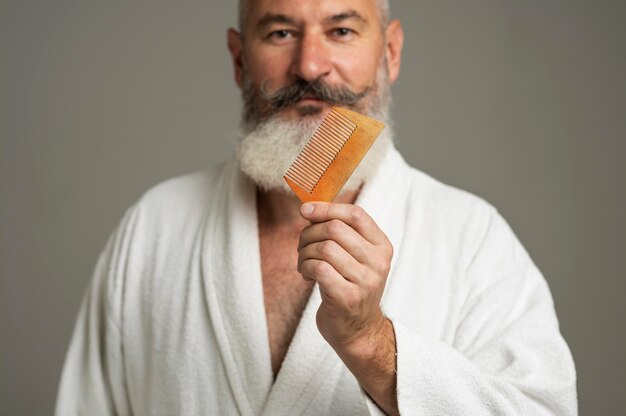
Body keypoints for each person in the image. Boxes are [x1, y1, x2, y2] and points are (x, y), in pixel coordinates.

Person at [55, 0, 577, 414]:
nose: (308, 64)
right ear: (239, 58)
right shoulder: (155, 227)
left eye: (342, 30)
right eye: (280, 32)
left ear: (390, 52)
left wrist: (375, 345)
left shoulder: (472, 239)